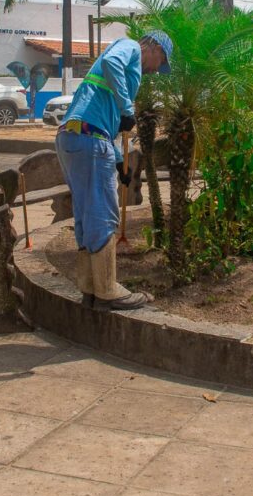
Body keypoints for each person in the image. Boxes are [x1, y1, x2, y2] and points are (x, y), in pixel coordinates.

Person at [56, 31, 173, 311]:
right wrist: (126, 106)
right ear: (153, 46)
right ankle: (108, 290)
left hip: (73, 137)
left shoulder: (116, 77)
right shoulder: (130, 47)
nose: (156, 70)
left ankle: (89, 287)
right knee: (103, 215)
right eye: (161, 61)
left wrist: (120, 160)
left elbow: (109, 124)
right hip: (90, 140)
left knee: (85, 215)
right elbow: (111, 63)